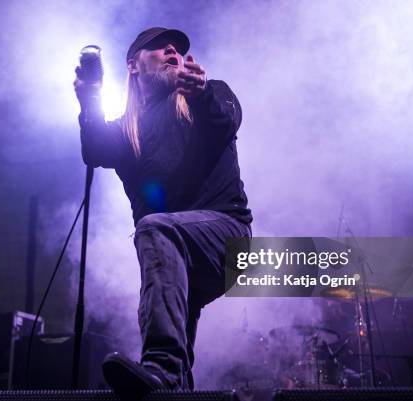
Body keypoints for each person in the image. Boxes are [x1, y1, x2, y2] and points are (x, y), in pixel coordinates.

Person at [74, 27, 253, 395]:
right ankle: (171, 386)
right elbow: (93, 148)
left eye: (177, 48)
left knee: (155, 229)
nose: (172, 50)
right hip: (177, 254)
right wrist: (90, 97)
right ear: (134, 65)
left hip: (228, 239)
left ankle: (164, 369)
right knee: (177, 322)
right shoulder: (128, 131)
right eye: (158, 47)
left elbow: (224, 122)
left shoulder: (210, 94)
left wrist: (201, 96)